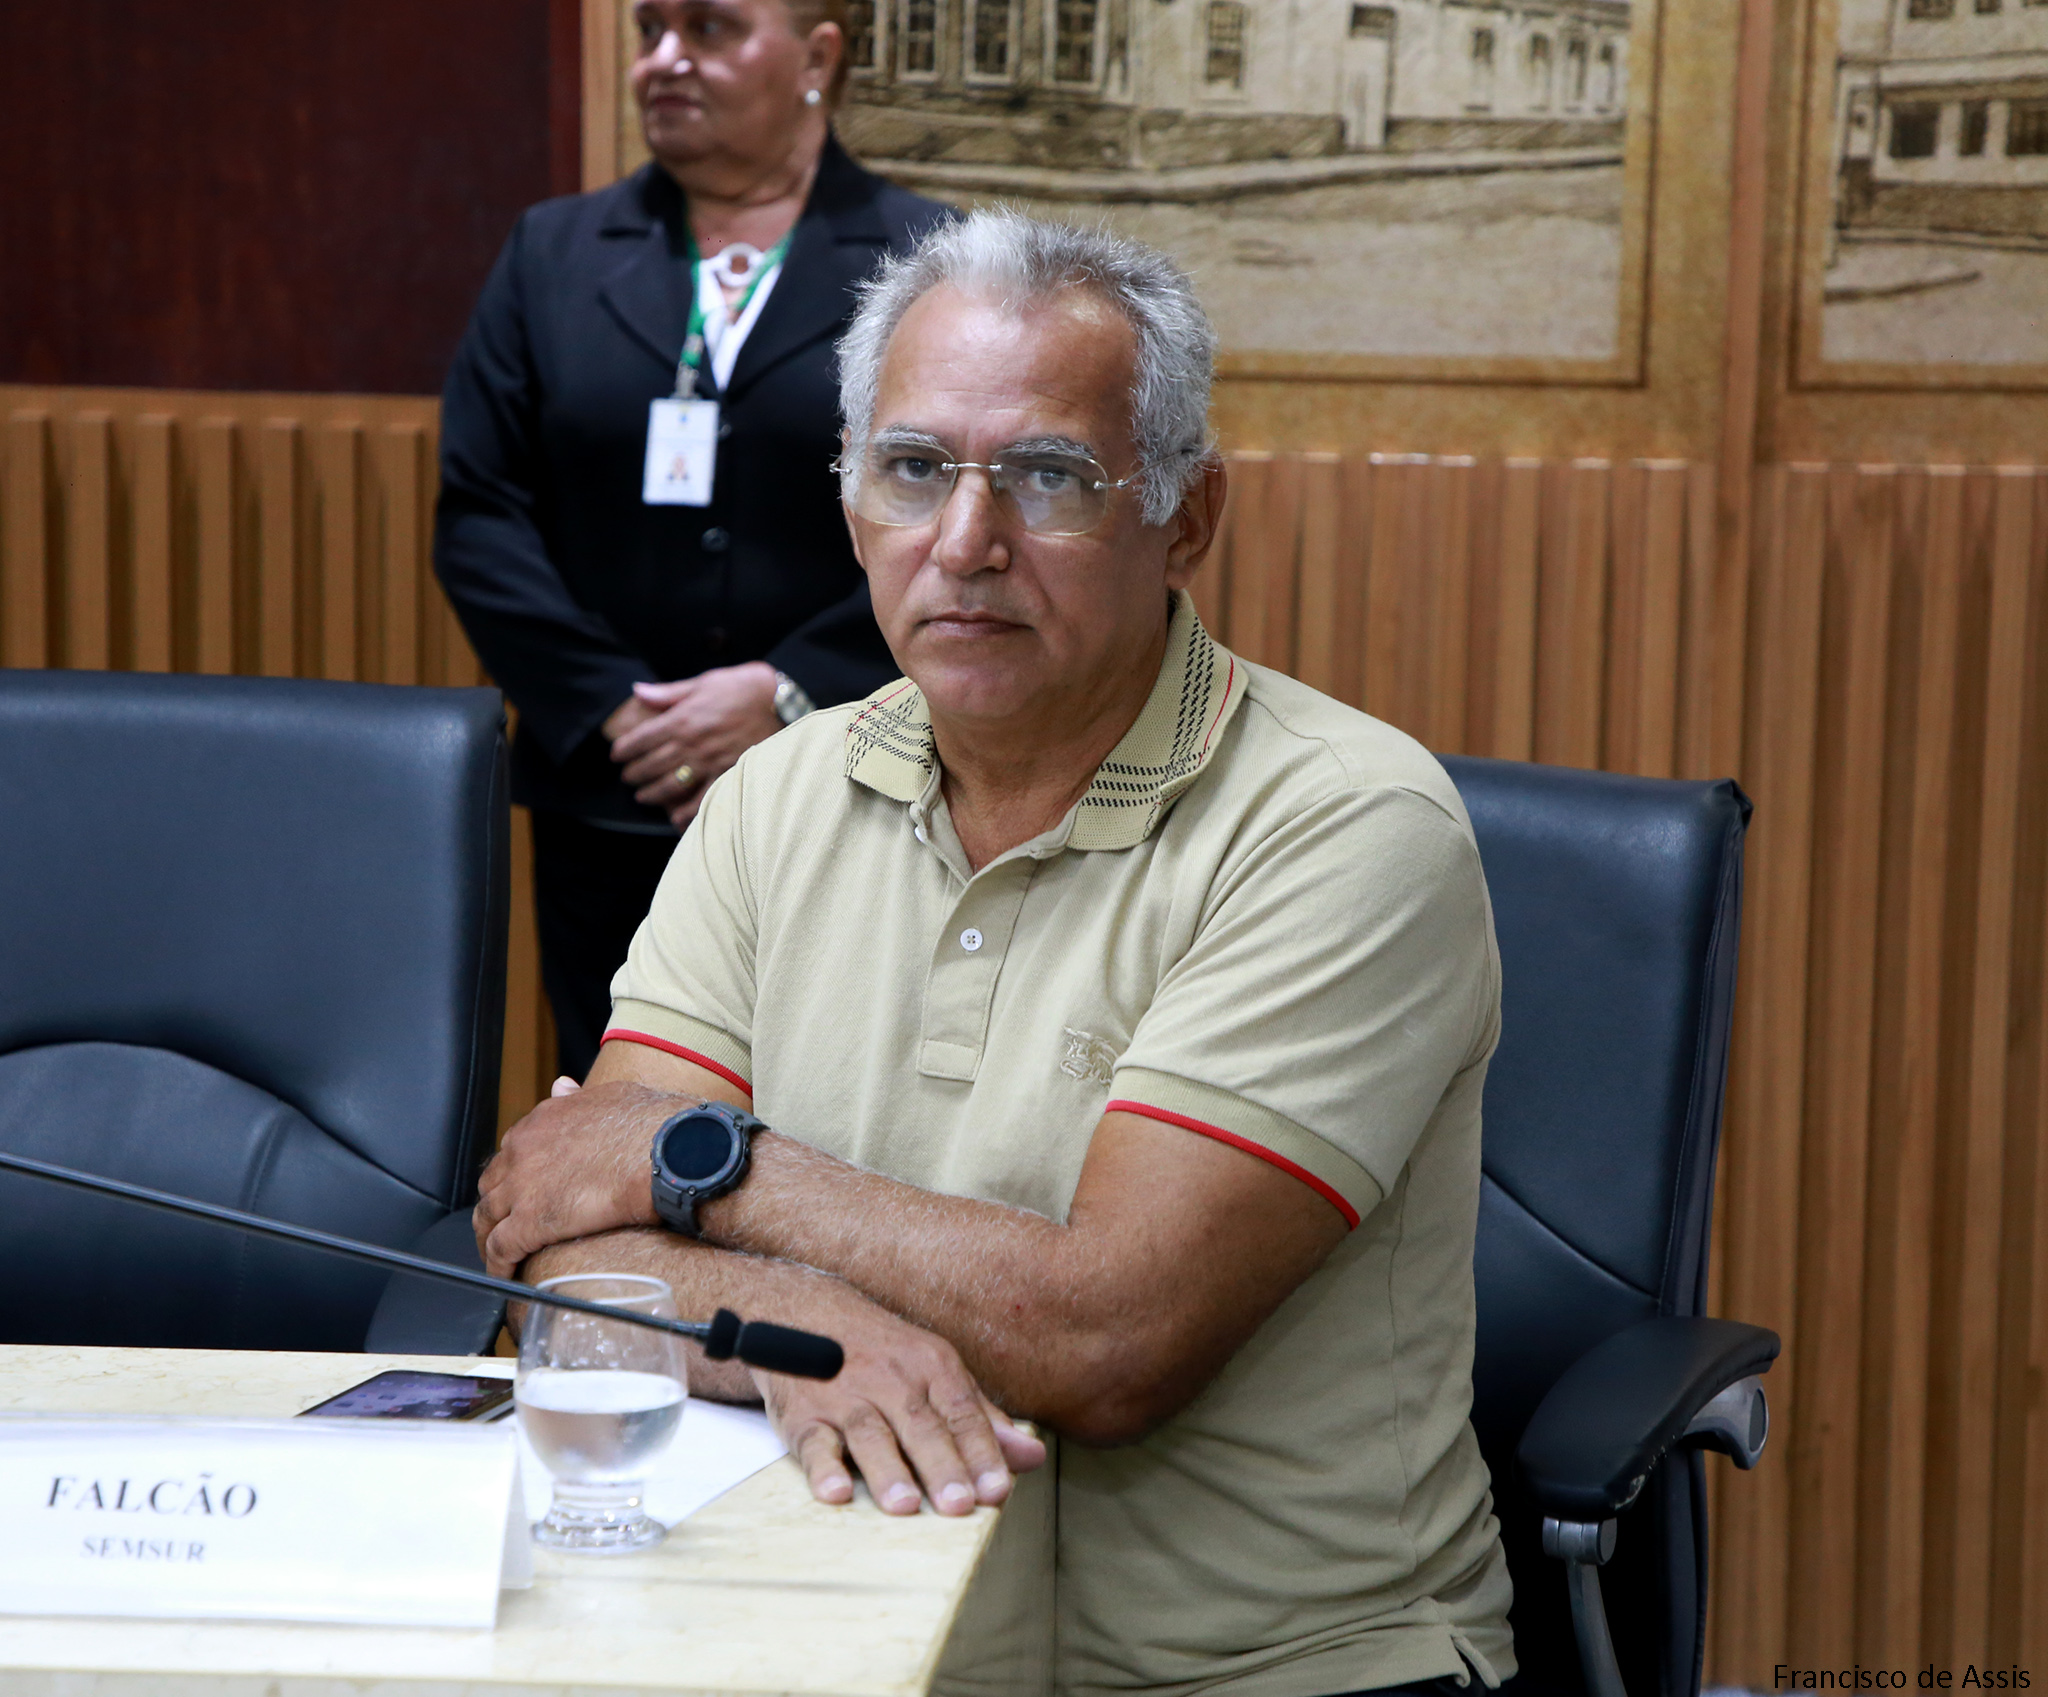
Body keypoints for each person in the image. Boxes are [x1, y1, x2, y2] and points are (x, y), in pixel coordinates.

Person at [472, 211, 1515, 1697]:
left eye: (1047, 476)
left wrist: (707, 1171)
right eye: (912, 469)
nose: (965, 543)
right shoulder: (773, 795)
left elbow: (1108, 1336)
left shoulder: (1347, 825)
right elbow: (570, 1260)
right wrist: (795, 1324)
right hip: (831, 1635)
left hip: (1258, 1668)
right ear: (852, 506)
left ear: (1187, 515)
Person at [433, 0, 952, 1079]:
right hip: (611, 793)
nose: (664, 60)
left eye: (709, 29)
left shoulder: (926, 260)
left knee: (834, 1103)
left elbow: (952, 511)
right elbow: (480, 513)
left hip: (853, 781)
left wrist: (787, 691)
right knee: (620, 1106)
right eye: (650, 28)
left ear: (816, 57)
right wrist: (618, 709)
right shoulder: (553, 251)